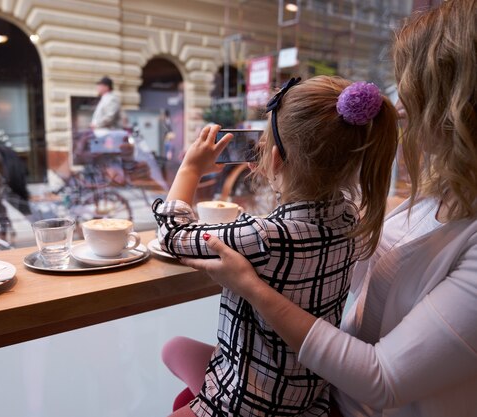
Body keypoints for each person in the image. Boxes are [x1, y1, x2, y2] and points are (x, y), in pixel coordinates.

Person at [178, 1, 477, 416]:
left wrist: (254, 285)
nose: (401, 109)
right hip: (318, 390)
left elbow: (383, 379)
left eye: (412, 92)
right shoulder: (427, 196)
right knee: (179, 354)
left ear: (455, 106)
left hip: (345, 403)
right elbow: (336, 263)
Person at [152, 75, 398, 417]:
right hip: (309, 397)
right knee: (174, 349)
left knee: (172, 354)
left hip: (248, 405)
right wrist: (278, 171)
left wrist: (190, 169)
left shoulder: (262, 236)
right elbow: (301, 226)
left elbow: (172, 234)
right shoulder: (350, 221)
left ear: (277, 159)